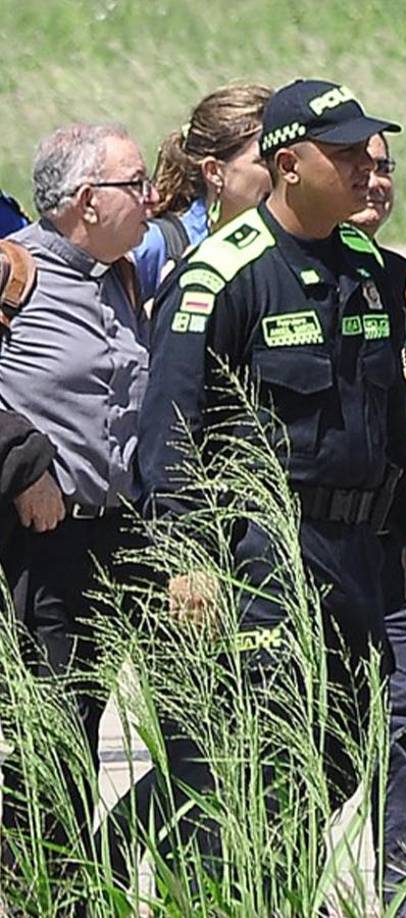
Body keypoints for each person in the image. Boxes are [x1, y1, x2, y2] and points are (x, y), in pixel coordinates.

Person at [124, 78, 406, 882]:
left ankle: (269, 878)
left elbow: (390, 416)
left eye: (368, 152)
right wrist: (189, 558)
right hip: (261, 552)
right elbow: (172, 432)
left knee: (345, 741)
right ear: (289, 164)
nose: (367, 169)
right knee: (267, 751)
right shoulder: (222, 275)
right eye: (345, 153)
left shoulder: (371, 270)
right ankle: (240, 885)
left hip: (356, 550)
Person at [0, 123, 155, 878]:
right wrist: (24, 463)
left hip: (124, 539)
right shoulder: (13, 271)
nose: (152, 197)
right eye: (136, 184)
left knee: (176, 721)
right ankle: (51, 887)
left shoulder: (123, 278)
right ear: (88, 201)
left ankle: (100, 873)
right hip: (41, 545)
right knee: (55, 729)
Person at [346, 129, 406, 913]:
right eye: (361, 167)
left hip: (388, 539)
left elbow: (396, 423)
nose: (377, 182)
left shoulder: (391, 278)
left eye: (386, 169)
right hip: (307, 547)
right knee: (321, 733)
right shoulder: (259, 273)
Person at [131, 83, 272, 300]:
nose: (282, 171)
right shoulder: (154, 246)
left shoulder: (287, 240)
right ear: (213, 171)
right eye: (264, 161)